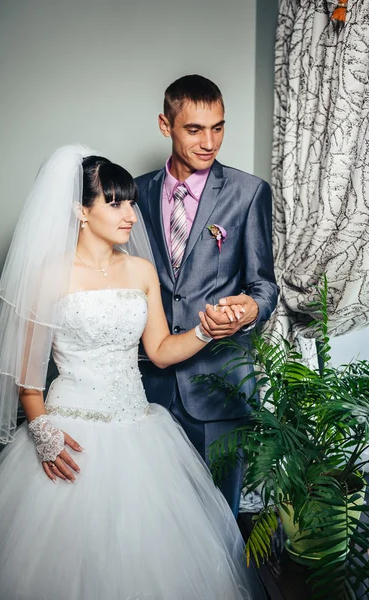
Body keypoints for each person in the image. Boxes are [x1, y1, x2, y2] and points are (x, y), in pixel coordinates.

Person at [0, 145, 267, 600]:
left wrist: (205, 329)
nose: (131, 215)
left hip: (139, 427)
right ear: (80, 211)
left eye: (131, 203)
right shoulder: (47, 276)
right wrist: (43, 432)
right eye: (114, 202)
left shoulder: (141, 271)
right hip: (69, 434)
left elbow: (160, 351)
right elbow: (27, 375)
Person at [136, 75, 279, 515]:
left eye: (218, 127)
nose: (209, 141)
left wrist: (249, 309)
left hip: (220, 391)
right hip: (147, 388)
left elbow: (264, 285)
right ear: (166, 124)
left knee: (218, 523)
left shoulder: (247, 192)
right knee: (151, 521)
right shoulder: (134, 195)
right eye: (194, 129)